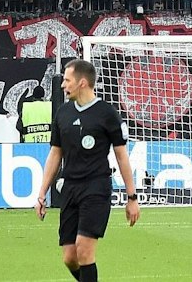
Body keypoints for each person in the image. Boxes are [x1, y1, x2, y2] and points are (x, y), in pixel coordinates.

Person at [35, 59, 140, 282]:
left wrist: (132, 197)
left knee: (84, 250)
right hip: (70, 188)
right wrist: (42, 193)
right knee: (70, 257)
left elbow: (121, 156)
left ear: (82, 82)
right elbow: (55, 154)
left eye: (67, 80)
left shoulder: (107, 114)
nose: (63, 85)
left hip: (96, 187)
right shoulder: (63, 113)